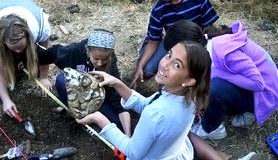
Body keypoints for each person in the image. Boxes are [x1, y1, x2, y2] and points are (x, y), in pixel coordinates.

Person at [76, 40, 214, 160]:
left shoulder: (156, 113)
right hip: (172, 153)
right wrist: (117, 83)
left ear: (189, 80)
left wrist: (100, 119)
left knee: (121, 150)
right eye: (169, 55)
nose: (165, 65)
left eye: (177, 65)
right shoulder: (191, 97)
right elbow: (147, 105)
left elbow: (132, 152)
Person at [164, 20, 278, 140]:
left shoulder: (225, 52)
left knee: (214, 87)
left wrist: (219, 74)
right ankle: (239, 110)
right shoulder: (205, 48)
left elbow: (258, 84)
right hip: (251, 87)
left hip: (265, 94)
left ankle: (211, 129)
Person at [131, 0, 219, 87]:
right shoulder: (158, 10)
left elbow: (209, 27)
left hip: (198, 40)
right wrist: (139, 66)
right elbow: (153, 41)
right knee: (147, 70)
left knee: (204, 70)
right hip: (172, 42)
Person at [39, 29, 131, 136]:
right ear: (87, 50)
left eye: (104, 59)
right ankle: (74, 113)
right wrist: (43, 77)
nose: (100, 63)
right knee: (61, 80)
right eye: (95, 58)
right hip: (78, 96)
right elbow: (48, 55)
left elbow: (117, 99)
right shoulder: (73, 52)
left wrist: (127, 136)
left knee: (118, 127)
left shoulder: (111, 64)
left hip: (98, 99)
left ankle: (93, 121)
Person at [0, 0, 52, 117]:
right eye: (14, 48)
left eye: (21, 47)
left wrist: (44, 77)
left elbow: (45, 54)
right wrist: (6, 100)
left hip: (26, 5)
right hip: (3, 6)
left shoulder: (39, 28)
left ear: (28, 38)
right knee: (8, 70)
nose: (18, 51)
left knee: (32, 60)